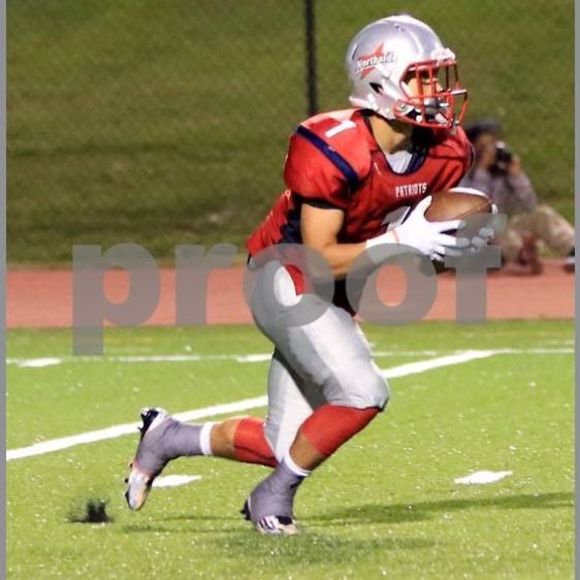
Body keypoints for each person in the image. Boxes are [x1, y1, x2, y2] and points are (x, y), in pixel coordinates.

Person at [125, 14, 486, 535]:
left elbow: (421, 241)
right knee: (363, 392)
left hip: (337, 291)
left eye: (437, 77)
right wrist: (401, 241)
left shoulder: (447, 152)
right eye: (421, 78)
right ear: (379, 81)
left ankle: (169, 437)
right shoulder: (336, 145)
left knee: (286, 441)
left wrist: (447, 246)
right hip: (285, 274)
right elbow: (318, 256)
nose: (436, 91)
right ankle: (273, 497)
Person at [459, 119, 575, 274]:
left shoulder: (503, 169)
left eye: (494, 143)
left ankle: (573, 249)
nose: (492, 150)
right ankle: (521, 257)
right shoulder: (464, 171)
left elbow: (529, 204)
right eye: (485, 146)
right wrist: (482, 171)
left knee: (542, 214)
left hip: (505, 229)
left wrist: (517, 175)